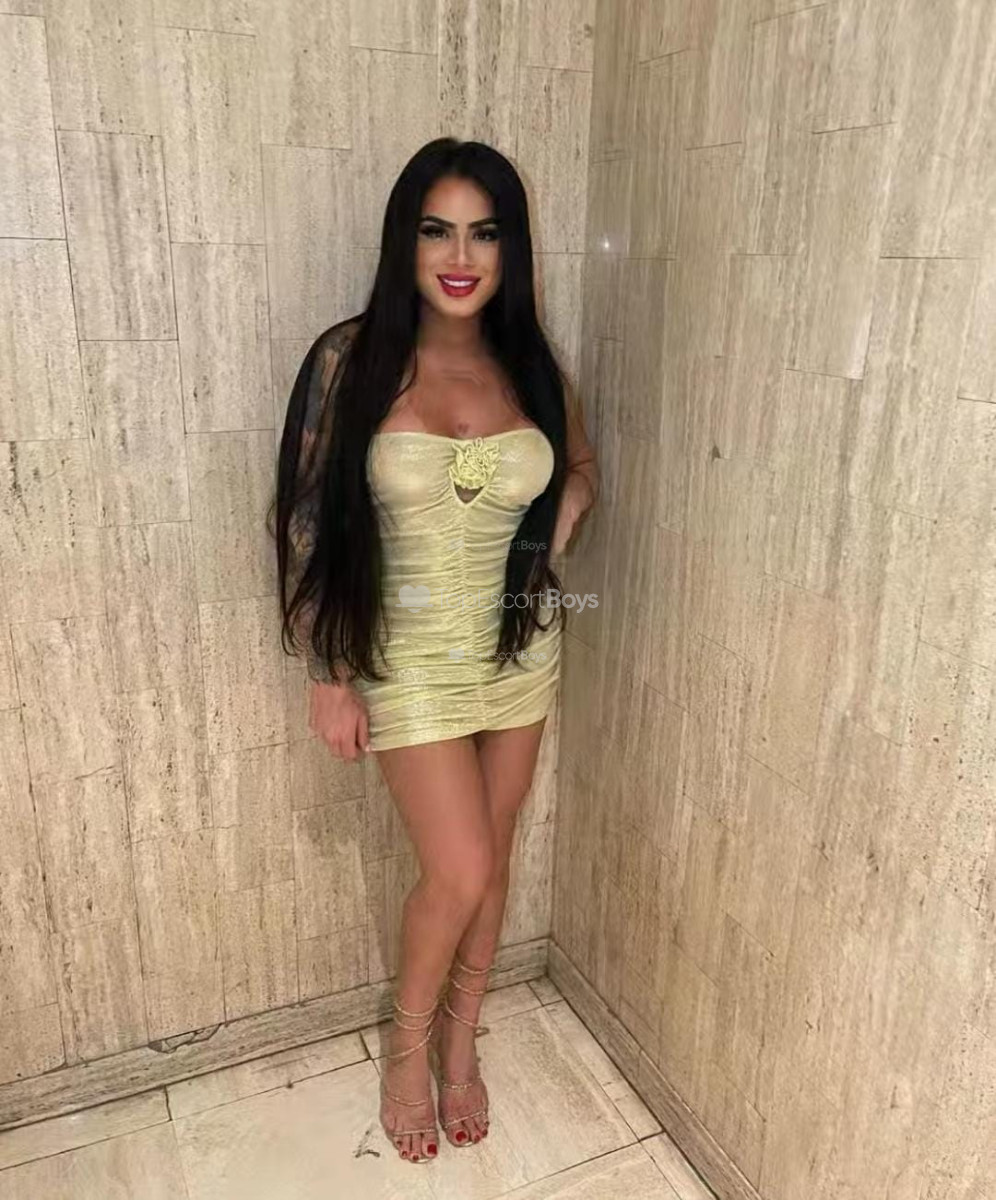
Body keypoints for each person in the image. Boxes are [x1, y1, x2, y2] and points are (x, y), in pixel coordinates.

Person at [272, 137, 598, 1165]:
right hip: (405, 657)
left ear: (510, 248)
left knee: (492, 862)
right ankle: (407, 1054)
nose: (461, 256)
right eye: (437, 230)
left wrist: (556, 527)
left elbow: (578, 466)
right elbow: (304, 520)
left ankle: (463, 1043)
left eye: (484, 233)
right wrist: (327, 674)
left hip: (519, 651)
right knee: (456, 869)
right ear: (404, 241)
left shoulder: (529, 364)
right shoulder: (351, 358)